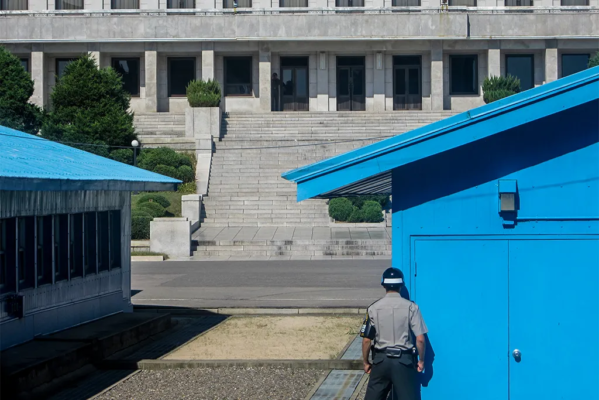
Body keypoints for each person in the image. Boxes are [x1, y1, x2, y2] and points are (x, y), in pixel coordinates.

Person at [360, 267, 428, 400]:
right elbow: (420, 339)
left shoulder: (373, 308)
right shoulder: (411, 308)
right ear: (401, 285)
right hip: (404, 361)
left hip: (381, 361)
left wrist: (366, 362)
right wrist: (422, 360)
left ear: (383, 285)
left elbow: (366, 340)